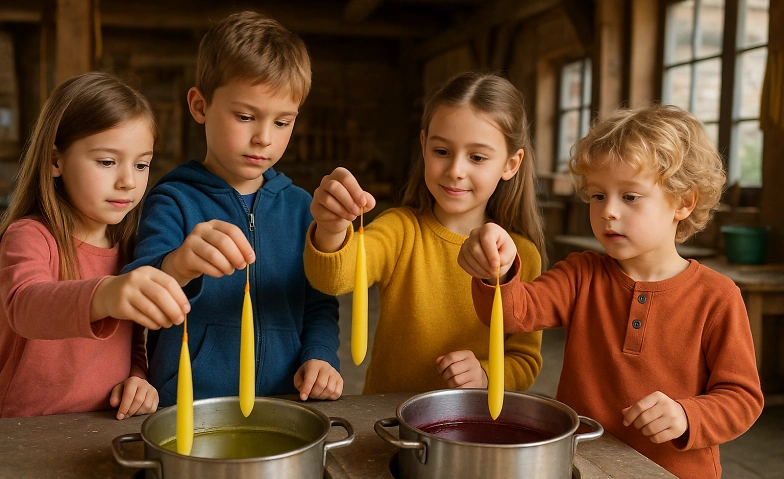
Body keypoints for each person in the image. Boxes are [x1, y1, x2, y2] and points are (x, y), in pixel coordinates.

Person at [460, 105, 764, 479]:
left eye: (630, 197)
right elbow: (514, 313)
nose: (608, 212)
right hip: (580, 465)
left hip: (676, 472)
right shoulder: (580, 274)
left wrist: (688, 415)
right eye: (598, 196)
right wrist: (500, 271)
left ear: (684, 202)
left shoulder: (718, 297)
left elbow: (742, 398)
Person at [122, 11, 342, 407]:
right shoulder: (172, 200)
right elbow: (135, 296)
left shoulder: (302, 208)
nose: (263, 138)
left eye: (282, 122)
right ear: (200, 105)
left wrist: (321, 356)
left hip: (285, 400)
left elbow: (319, 302)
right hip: (188, 406)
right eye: (245, 116)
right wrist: (180, 264)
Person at [304, 72, 544, 394]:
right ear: (423, 145)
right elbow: (334, 279)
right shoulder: (400, 230)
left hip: (471, 428)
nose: (456, 170)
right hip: (389, 421)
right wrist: (332, 228)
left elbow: (524, 359)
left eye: (477, 157)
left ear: (510, 164)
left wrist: (487, 375)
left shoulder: (521, 256)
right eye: (442, 151)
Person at [0, 72, 190, 419]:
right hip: (23, 435)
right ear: (55, 160)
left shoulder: (129, 246)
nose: (128, 181)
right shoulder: (28, 235)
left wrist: (138, 377)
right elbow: (24, 306)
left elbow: (132, 341)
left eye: (141, 164)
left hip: (102, 430)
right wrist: (107, 293)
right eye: (107, 161)